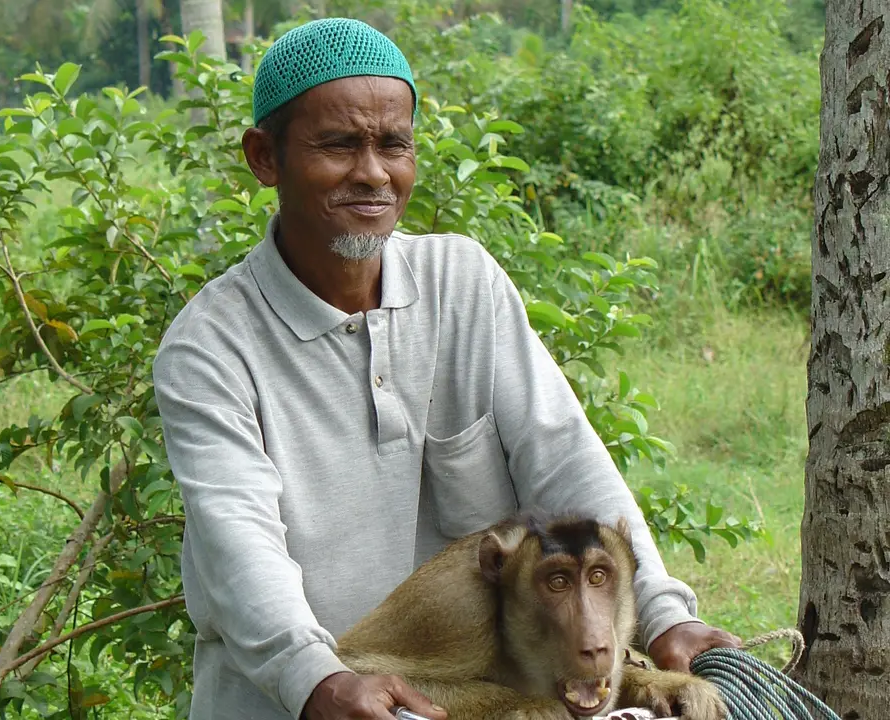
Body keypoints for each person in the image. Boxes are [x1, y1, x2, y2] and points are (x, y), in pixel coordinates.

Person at [152, 17, 741, 720]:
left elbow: (563, 457)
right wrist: (313, 678)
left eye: (393, 144)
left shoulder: (463, 281)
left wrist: (664, 614)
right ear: (264, 156)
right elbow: (235, 539)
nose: (372, 172)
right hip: (291, 704)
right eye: (338, 144)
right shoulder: (210, 346)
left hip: (488, 702)